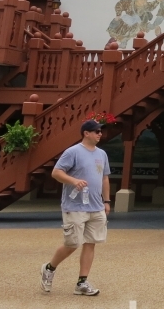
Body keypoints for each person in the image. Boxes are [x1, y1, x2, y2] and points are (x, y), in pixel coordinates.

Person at [40, 120, 112, 295]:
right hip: (75, 205)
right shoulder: (72, 152)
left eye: (100, 131)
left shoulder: (102, 154)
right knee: (72, 243)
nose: (100, 134)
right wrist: (74, 181)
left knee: (90, 243)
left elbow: (104, 178)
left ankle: (82, 283)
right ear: (86, 133)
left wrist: (107, 201)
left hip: (96, 206)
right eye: (96, 131)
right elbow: (56, 172)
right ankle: (49, 268)